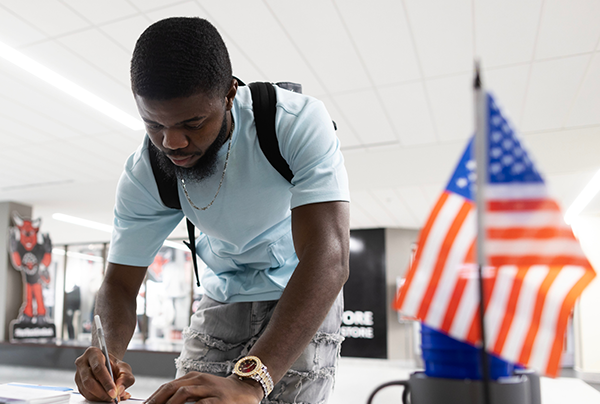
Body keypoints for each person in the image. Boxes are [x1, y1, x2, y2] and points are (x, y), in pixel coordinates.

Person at [74, 17, 350, 404]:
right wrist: (106, 354)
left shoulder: (294, 122)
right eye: (153, 123)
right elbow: (119, 284)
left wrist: (251, 383)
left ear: (229, 94)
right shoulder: (146, 172)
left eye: (193, 122)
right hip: (222, 295)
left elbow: (329, 259)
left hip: (301, 290)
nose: (172, 141)